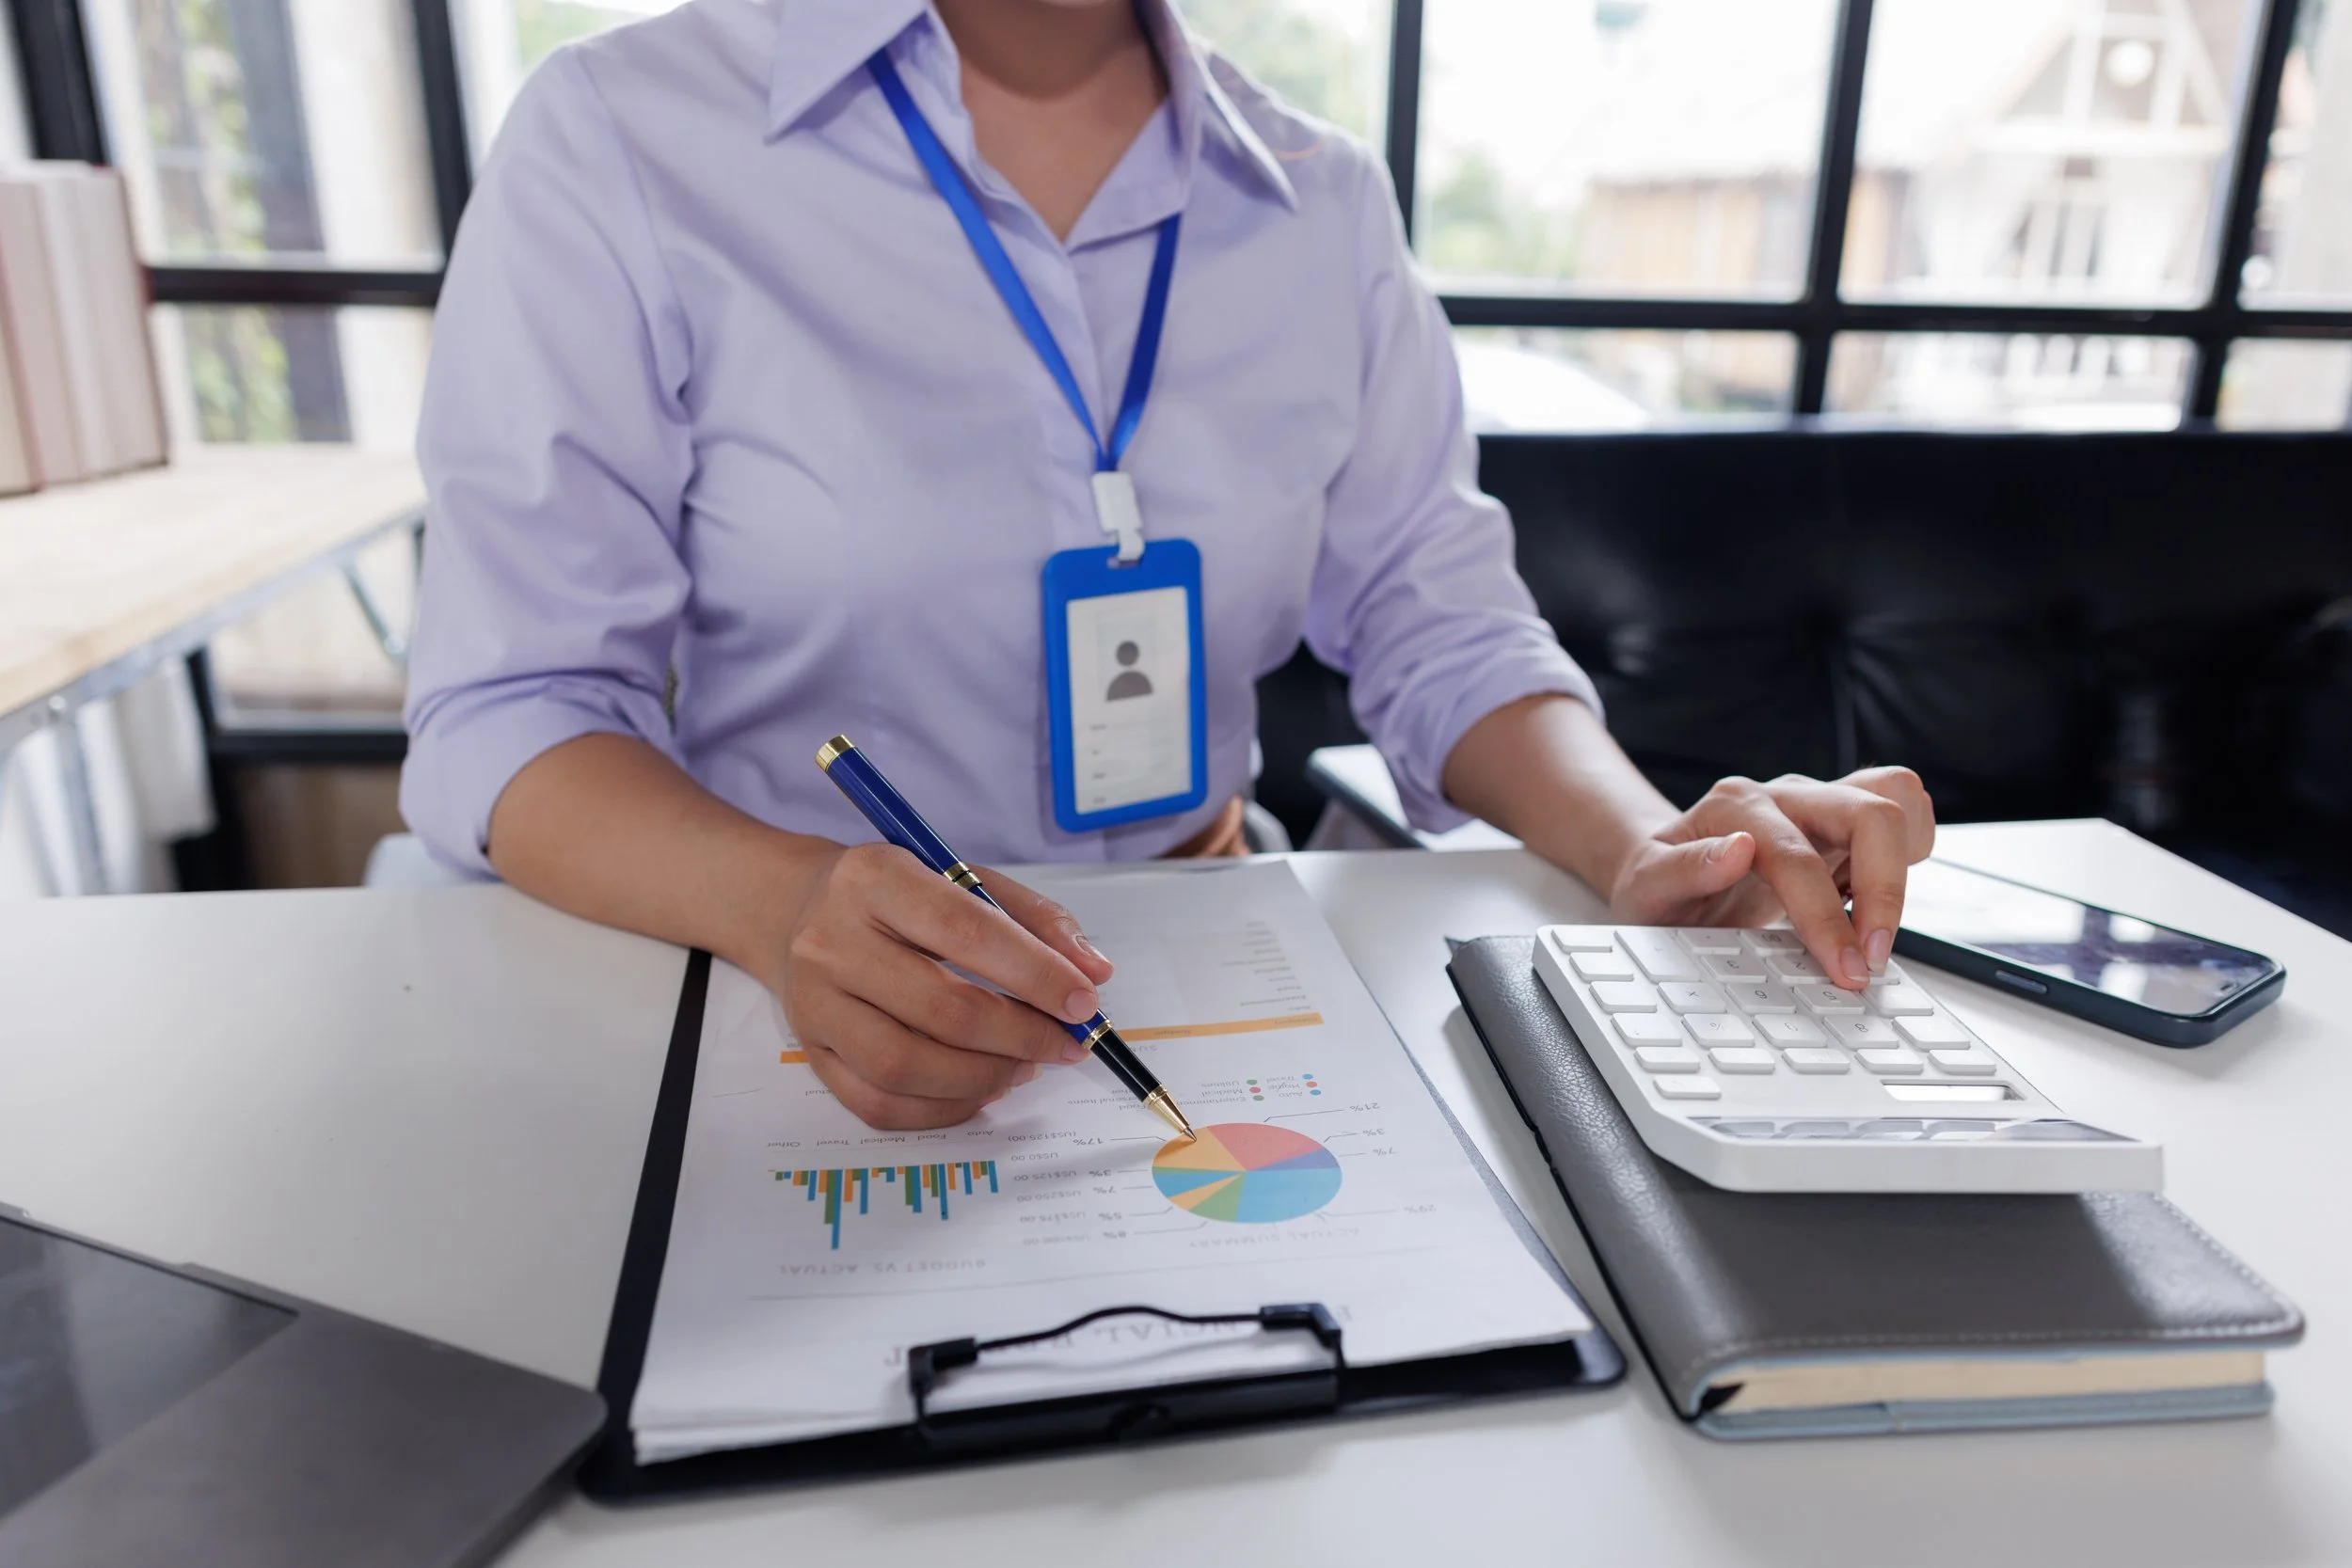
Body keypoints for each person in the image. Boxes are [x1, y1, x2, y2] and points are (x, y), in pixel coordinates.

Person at [402, 0, 1934, 1132]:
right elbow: (514, 706)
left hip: (1222, 976)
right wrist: (784, 905)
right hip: (780, 985)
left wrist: (1647, 845)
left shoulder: (1320, 199)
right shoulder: (622, 140)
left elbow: (1437, 621)